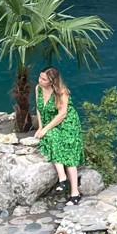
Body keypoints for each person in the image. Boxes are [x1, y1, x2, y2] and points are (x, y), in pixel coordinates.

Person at [34, 66, 85, 204]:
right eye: (40, 77)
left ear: (52, 81)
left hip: (67, 124)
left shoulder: (62, 92)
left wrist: (46, 129)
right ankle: (63, 178)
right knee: (52, 138)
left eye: (43, 79)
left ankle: (74, 193)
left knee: (68, 154)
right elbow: (39, 109)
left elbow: (62, 115)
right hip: (50, 122)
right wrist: (41, 127)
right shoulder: (38, 89)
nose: (40, 80)